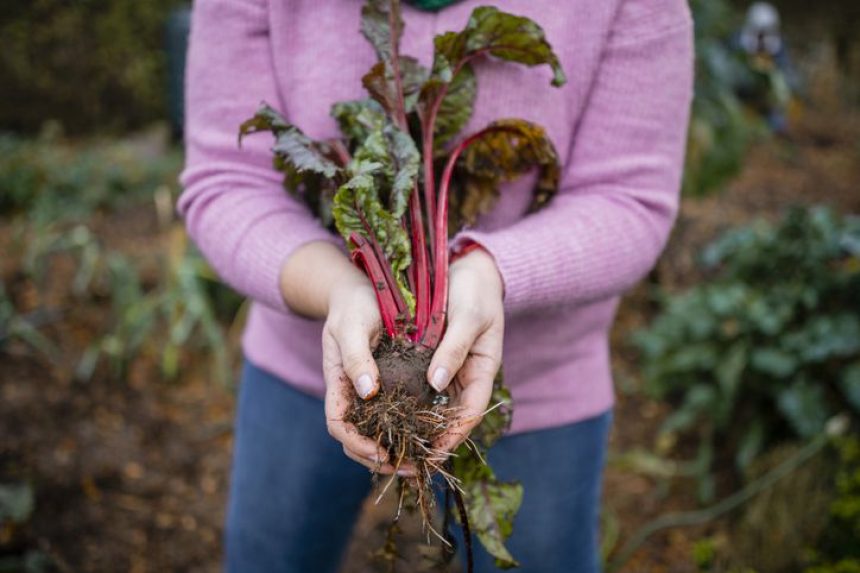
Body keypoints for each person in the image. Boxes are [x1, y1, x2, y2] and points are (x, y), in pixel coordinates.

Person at [178, 0, 693, 571]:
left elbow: (631, 202)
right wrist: (338, 288)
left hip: (540, 394)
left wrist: (488, 268)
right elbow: (227, 179)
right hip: (302, 370)